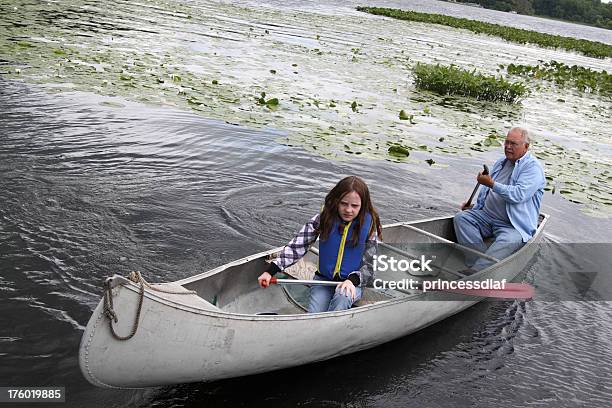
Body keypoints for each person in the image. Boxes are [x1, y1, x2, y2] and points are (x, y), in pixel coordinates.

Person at [258, 176, 382, 313]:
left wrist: (352, 281)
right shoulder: (324, 218)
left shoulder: (369, 226)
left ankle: (332, 327)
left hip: (353, 282)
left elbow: (370, 265)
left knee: (343, 296)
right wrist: (271, 271)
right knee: (314, 315)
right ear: (336, 201)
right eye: (344, 203)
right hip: (323, 280)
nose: (348, 210)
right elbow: (298, 246)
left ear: (363, 205)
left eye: (354, 206)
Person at [453, 126, 545, 272]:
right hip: (487, 217)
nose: (508, 147)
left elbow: (518, 195)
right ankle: (480, 263)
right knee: (461, 218)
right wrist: (475, 207)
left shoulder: (533, 168)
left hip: (512, 225)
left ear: (526, 147)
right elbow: (486, 191)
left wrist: (491, 183)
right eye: (506, 142)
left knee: (508, 240)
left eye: (513, 144)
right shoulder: (502, 162)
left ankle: (477, 272)